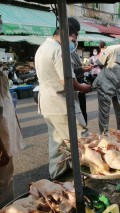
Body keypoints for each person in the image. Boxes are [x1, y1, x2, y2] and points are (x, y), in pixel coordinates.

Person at [34, 17, 92, 179]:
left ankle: (57, 174)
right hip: (62, 105)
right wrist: (82, 88)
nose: (74, 42)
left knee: (57, 142)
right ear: (67, 34)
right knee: (81, 140)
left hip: (48, 105)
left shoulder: (43, 47)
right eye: (74, 39)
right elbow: (66, 81)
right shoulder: (59, 50)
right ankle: (85, 175)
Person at [0, 63, 24, 207]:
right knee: (4, 183)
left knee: (6, 179)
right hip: (2, 143)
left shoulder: (2, 75)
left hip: (6, 137)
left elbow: (6, 104)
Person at [71, 51, 92, 125]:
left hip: (79, 81)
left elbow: (79, 65)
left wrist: (85, 66)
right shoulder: (62, 52)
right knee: (76, 112)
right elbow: (68, 71)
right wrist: (83, 69)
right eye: (73, 40)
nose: (74, 43)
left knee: (82, 110)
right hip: (73, 83)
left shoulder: (74, 52)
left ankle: (84, 130)